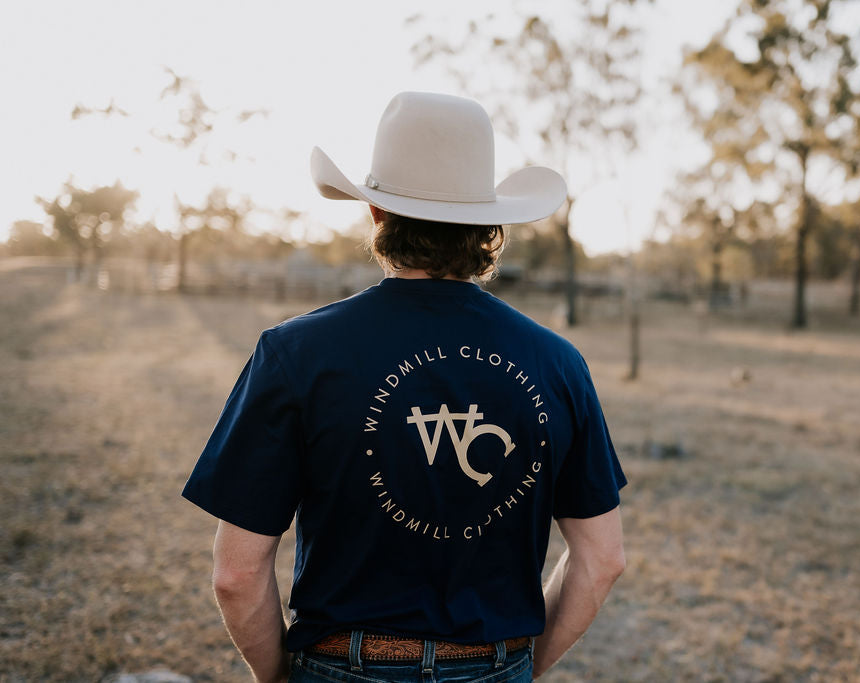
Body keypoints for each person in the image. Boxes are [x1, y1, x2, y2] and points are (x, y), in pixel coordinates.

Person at [182, 91, 627, 683]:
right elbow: (602, 559)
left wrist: (279, 677)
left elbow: (236, 574)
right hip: (495, 664)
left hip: (340, 665)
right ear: (489, 228)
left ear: (376, 214)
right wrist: (520, 667)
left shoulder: (295, 354)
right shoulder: (558, 363)